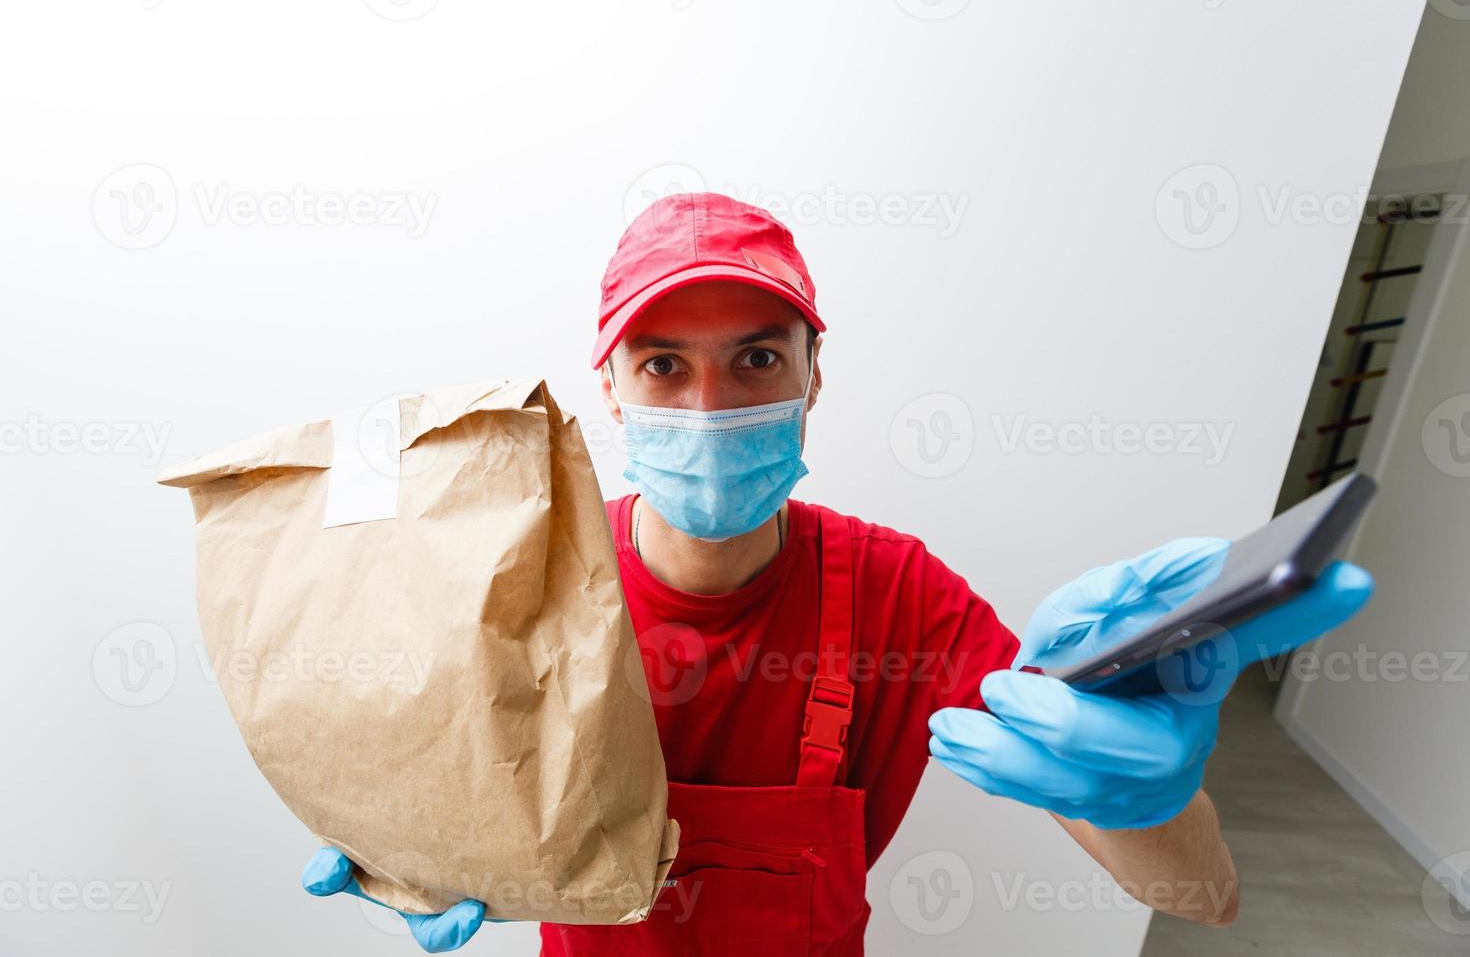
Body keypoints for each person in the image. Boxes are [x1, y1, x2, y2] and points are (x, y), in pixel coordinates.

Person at [301, 192, 1374, 954]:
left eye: (757, 359)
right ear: (611, 390)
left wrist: (1151, 793)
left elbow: (1203, 898)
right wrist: (418, 842)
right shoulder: (529, 581)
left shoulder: (898, 594)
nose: (709, 410)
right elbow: (454, 790)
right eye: (664, 364)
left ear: (815, 379)